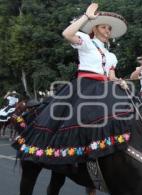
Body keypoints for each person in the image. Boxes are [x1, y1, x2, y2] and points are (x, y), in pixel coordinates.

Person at [13, 3, 132, 164]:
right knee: (83, 117)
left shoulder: (111, 56)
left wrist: (120, 82)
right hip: (84, 86)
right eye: (103, 27)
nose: (107, 31)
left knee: (123, 109)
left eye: (109, 29)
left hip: (104, 88)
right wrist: (86, 17)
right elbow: (67, 33)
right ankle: (78, 156)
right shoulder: (86, 41)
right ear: (94, 29)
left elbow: (111, 76)